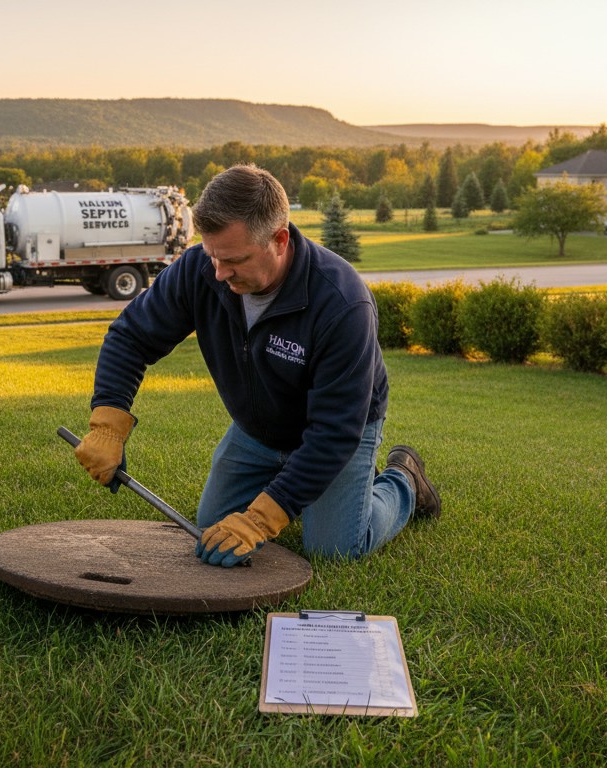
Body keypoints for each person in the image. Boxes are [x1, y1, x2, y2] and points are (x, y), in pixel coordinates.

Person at [74, 164, 439, 567]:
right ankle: (307, 485)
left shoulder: (342, 302)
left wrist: (262, 519)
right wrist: (108, 422)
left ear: (279, 239)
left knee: (333, 549)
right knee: (213, 528)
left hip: (335, 431)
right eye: (212, 255)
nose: (218, 272)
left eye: (234, 259)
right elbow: (131, 336)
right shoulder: (201, 269)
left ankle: (403, 481)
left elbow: (334, 431)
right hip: (258, 430)